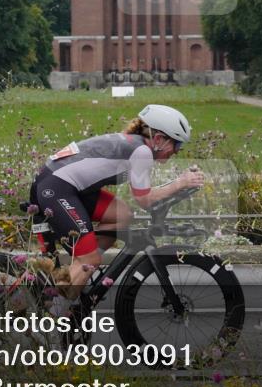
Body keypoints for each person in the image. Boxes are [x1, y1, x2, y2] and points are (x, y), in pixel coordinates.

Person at [26, 104, 204, 299]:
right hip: (57, 187)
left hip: (62, 185)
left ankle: (81, 269)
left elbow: (140, 194)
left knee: (122, 215)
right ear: (159, 139)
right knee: (90, 258)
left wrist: (177, 186)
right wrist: (180, 183)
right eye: (177, 144)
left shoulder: (137, 146)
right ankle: (58, 314)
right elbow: (144, 200)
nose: (177, 151)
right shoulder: (142, 152)